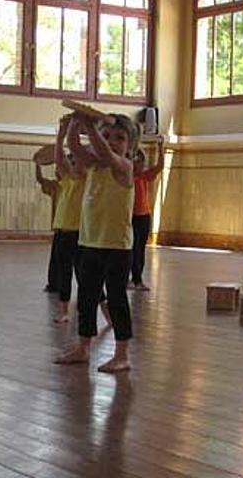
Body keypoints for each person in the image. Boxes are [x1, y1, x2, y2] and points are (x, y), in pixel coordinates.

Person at [55, 113, 139, 373]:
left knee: (116, 299)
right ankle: (83, 347)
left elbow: (103, 152)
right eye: (107, 136)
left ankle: (122, 354)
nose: (112, 142)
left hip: (117, 246)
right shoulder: (92, 165)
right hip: (89, 241)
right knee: (87, 298)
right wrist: (74, 126)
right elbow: (76, 148)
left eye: (120, 138)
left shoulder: (124, 167)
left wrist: (91, 128)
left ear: (131, 147)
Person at [50, 119, 86, 323]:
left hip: (81, 235)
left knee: (84, 276)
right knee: (64, 273)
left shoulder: (87, 180)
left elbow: (77, 153)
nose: (72, 164)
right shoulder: (66, 180)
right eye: (71, 162)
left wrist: (73, 134)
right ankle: (64, 311)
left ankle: (98, 309)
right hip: (63, 233)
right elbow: (59, 158)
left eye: (76, 161)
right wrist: (60, 135)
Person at [129, 137, 165, 290]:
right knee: (130, 249)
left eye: (141, 161)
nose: (139, 164)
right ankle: (132, 279)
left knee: (140, 249)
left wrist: (160, 148)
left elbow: (160, 166)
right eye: (137, 161)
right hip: (129, 216)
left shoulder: (144, 175)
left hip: (143, 216)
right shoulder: (126, 176)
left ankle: (137, 279)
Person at [36, 164, 60, 293]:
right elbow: (40, 179)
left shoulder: (78, 182)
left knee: (79, 263)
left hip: (77, 229)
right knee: (56, 259)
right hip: (60, 228)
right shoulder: (55, 186)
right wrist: (37, 164)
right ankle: (54, 285)